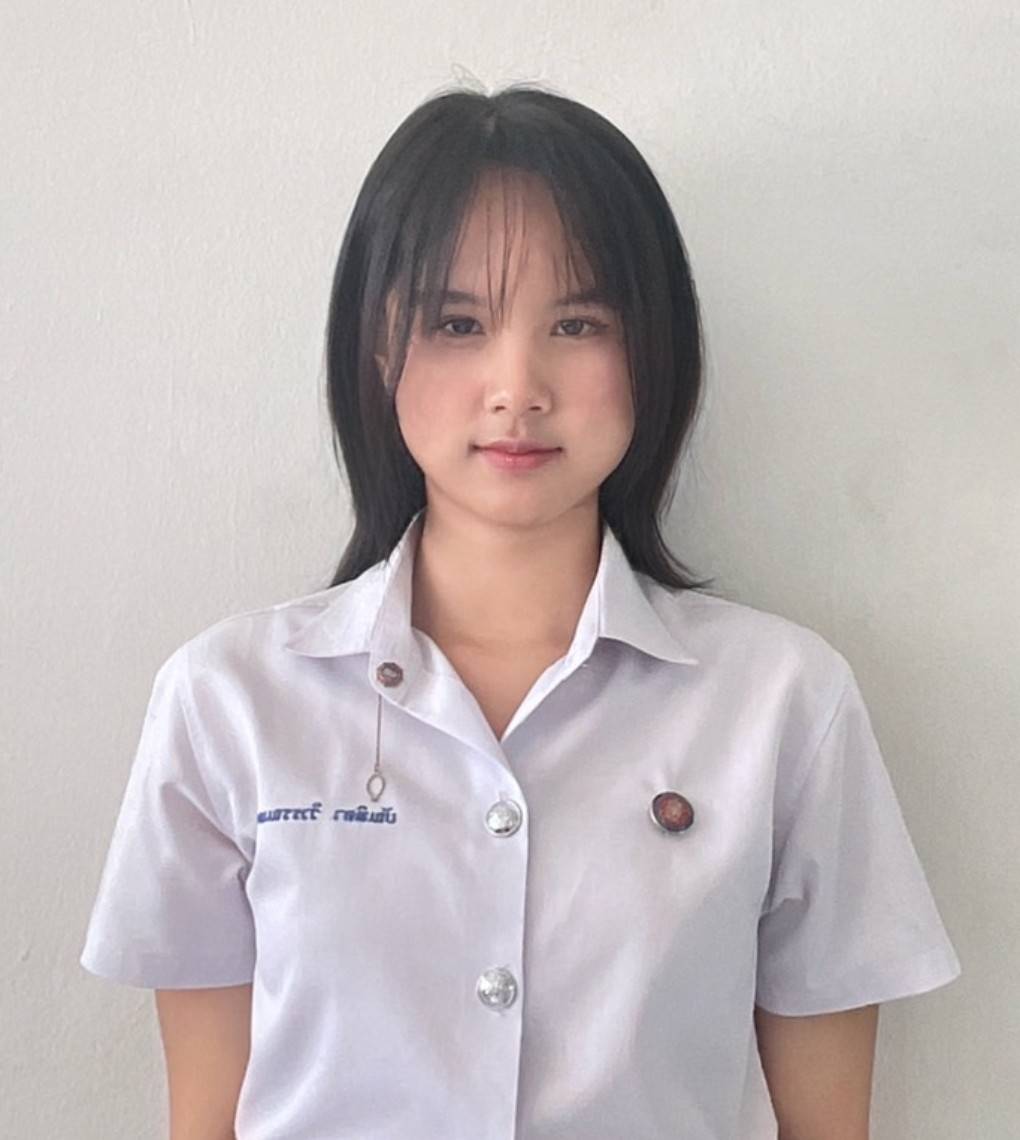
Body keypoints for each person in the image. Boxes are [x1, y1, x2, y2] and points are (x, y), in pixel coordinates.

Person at [79, 82, 962, 1140]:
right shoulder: (230, 701)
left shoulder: (783, 704)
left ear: (651, 351)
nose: (517, 385)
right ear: (378, 348)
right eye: (457, 323)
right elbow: (205, 1122)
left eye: (577, 323)